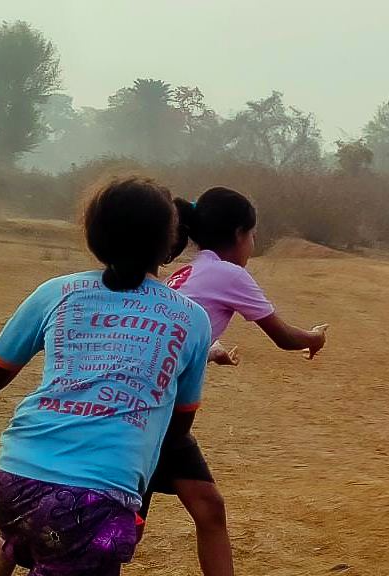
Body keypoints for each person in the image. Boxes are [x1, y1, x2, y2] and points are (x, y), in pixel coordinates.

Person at [0, 177, 211, 576]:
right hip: (93, 502)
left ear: (92, 234)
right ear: (169, 242)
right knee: (65, 544)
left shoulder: (56, 292)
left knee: (39, 539)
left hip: (12, 481)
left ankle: (13, 546)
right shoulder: (191, 318)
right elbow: (178, 426)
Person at [136, 186, 328, 576]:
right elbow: (283, 336)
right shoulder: (229, 274)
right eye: (254, 236)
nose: (252, 245)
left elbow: (171, 334)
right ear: (240, 234)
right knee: (117, 527)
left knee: (208, 507)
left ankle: (15, 545)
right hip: (152, 415)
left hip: (159, 411)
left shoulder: (187, 271)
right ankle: (12, 545)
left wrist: (210, 349)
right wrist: (315, 337)